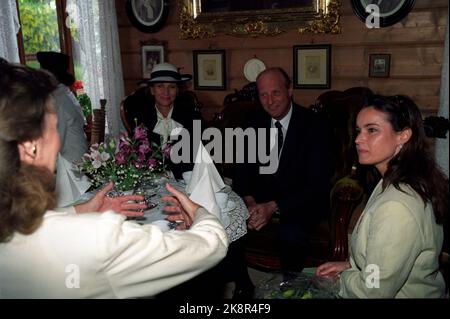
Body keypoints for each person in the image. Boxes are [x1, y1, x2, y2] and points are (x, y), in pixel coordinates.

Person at [0, 63, 228, 298]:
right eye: (54, 127)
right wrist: (200, 211)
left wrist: (79, 210)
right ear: (30, 147)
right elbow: (212, 244)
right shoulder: (99, 237)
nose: (59, 139)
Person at [316, 94, 448, 298]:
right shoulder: (398, 180)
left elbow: (373, 292)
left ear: (403, 136)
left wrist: (339, 280)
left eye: (372, 130)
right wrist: (349, 265)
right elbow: (389, 258)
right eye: (359, 130)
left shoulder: (397, 205)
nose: (358, 139)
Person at [233, 67, 330, 275]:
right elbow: (241, 173)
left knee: (291, 233)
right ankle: (242, 285)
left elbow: (317, 184)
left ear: (290, 90)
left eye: (275, 92)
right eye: (263, 95)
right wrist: (249, 203)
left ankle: (290, 286)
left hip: (299, 203)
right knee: (225, 223)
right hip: (258, 202)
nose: (270, 101)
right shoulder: (251, 124)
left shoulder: (315, 126)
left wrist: (274, 206)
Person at [125, 62, 203, 179]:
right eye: (160, 86)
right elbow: (137, 155)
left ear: (177, 90)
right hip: (150, 180)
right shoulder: (140, 117)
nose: (166, 92)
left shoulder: (192, 116)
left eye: (171, 87)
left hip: (184, 179)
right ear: (152, 90)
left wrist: (171, 174)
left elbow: (195, 156)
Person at [36, 51, 90, 207]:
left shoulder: (55, 99)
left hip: (70, 172)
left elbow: (56, 142)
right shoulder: (65, 92)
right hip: (77, 161)